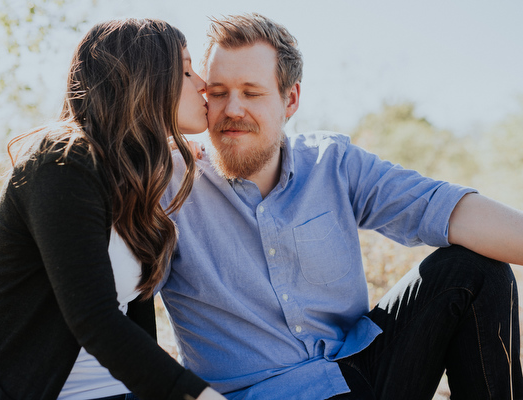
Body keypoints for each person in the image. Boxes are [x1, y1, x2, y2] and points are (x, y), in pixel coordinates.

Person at [158, 13, 523, 399]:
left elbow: (443, 206)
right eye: (218, 92)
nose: (232, 109)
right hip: (259, 393)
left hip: (361, 373)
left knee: (474, 271)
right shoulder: (169, 185)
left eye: (251, 93)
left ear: (290, 99)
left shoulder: (331, 164)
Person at [0, 19, 225, 400]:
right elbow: (94, 317)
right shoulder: (60, 161)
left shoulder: (133, 176)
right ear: (144, 79)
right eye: (186, 70)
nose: (203, 83)